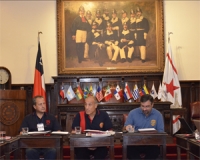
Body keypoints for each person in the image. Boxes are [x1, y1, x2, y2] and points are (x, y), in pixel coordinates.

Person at [19, 95, 61, 160]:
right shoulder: (28, 118)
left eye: (44, 103)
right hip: (33, 145)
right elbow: (21, 132)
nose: (43, 106)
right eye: (40, 104)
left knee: (52, 151)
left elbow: (58, 131)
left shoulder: (51, 117)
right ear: (34, 106)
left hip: (48, 145)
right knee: (30, 151)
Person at [124, 94, 164, 159]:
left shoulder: (158, 115)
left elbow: (161, 132)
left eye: (147, 106)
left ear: (152, 105)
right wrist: (127, 128)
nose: (144, 109)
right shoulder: (133, 113)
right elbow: (125, 128)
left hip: (151, 144)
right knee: (129, 150)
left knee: (155, 151)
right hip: (135, 143)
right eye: (142, 106)